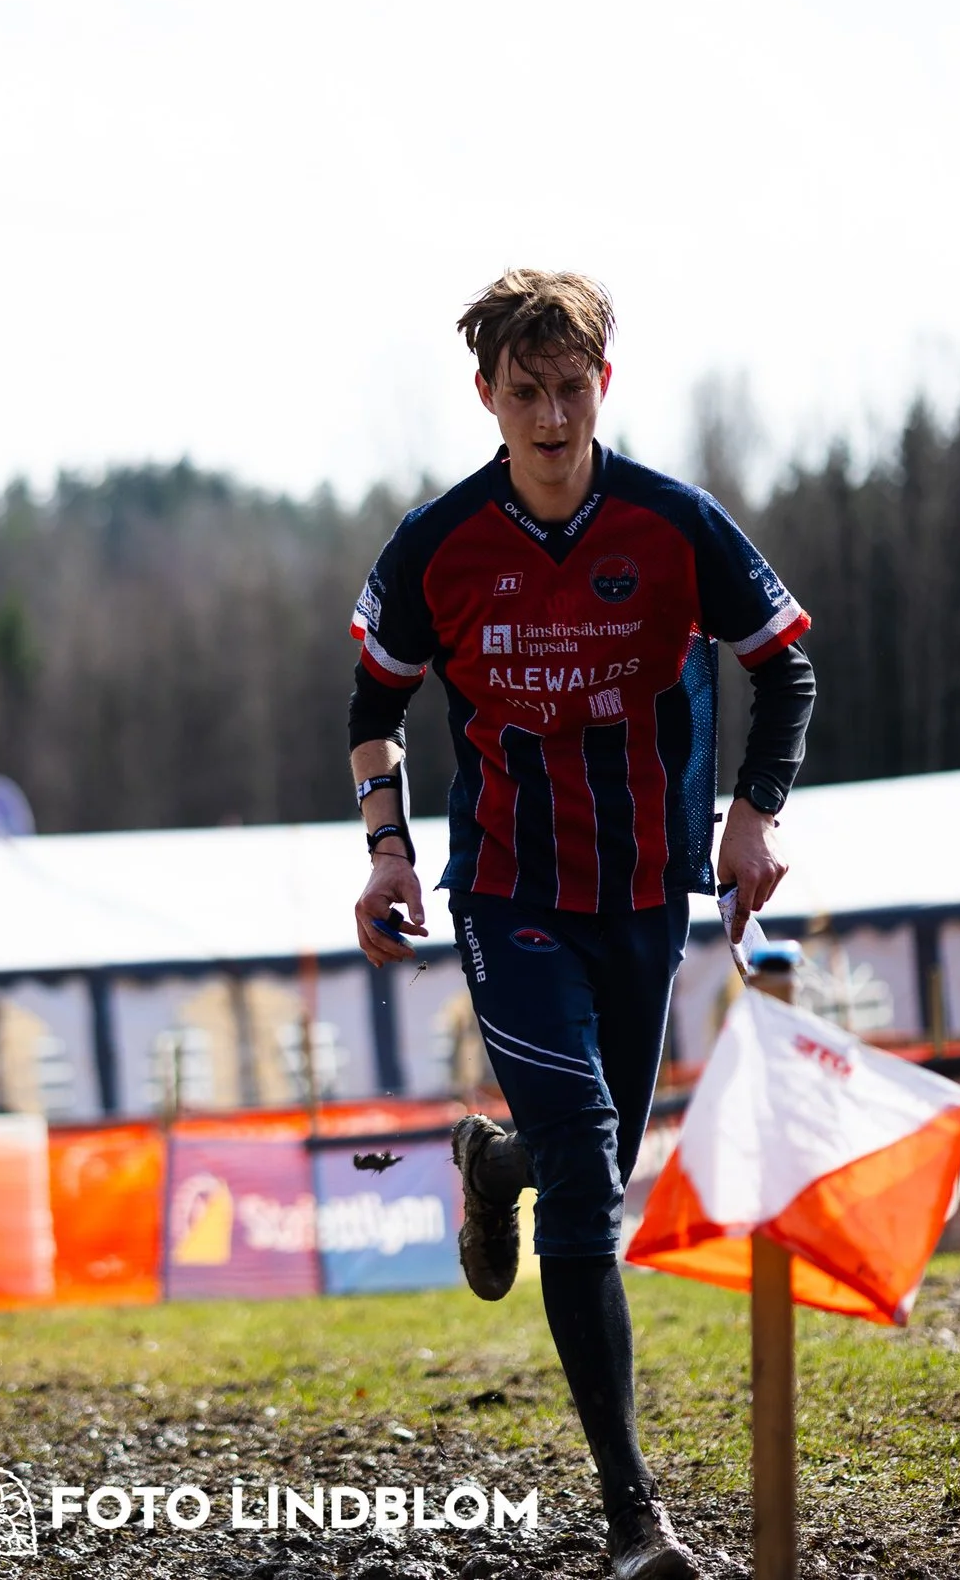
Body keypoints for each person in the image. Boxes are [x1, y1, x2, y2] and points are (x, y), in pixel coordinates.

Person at [347, 271, 814, 1580]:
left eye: (570, 389)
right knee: (593, 1175)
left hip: (649, 889)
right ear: (487, 396)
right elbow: (371, 709)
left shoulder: (675, 525)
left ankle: (494, 1164)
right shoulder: (438, 544)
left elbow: (786, 663)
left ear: (602, 388)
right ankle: (633, 1522)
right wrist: (388, 851)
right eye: (524, 391)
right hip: (506, 890)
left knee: (579, 1157)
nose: (550, 416)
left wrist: (755, 814)